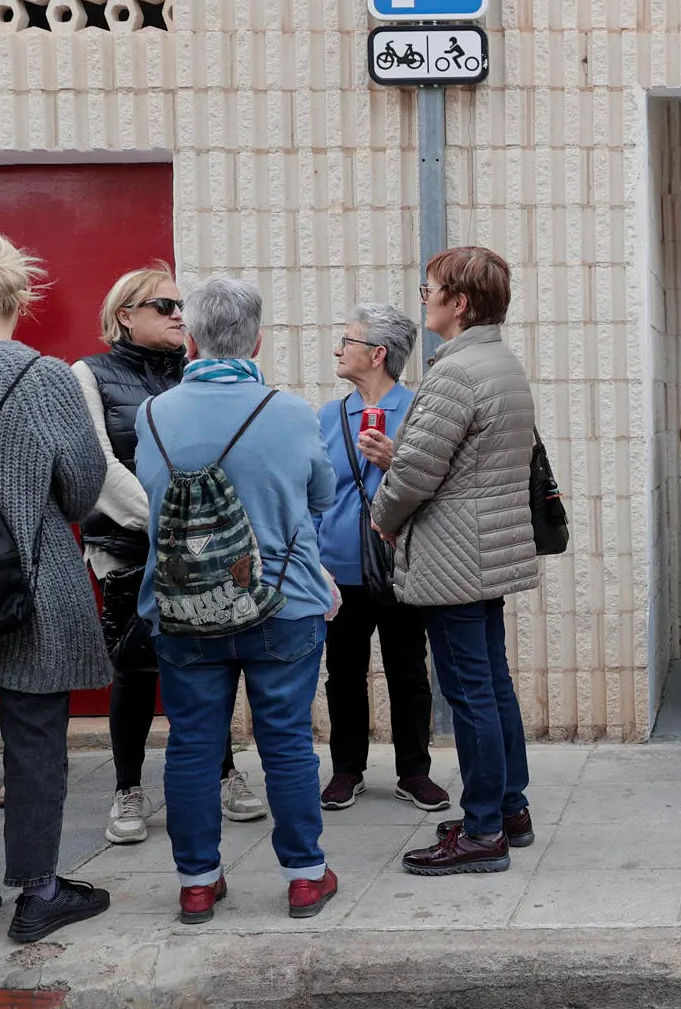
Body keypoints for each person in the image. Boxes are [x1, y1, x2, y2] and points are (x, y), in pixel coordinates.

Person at [134, 276, 339, 925]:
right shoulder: (293, 412)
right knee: (285, 741)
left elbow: (150, 499)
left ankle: (198, 882)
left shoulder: (153, 413)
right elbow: (320, 498)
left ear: (190, 339)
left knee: (193, 742)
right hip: (283, 602)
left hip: (182, 604)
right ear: (257, 339)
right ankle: (305, 877)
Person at [0, 231, 111, 944]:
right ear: (20, 299)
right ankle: (39, 893)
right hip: (35, 585)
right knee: (37, 737)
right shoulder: (43, 377)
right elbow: (82, 490)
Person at [73, 264, 268, 847]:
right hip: (129, 548)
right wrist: (168, 527)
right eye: (163, 306)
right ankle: (128, 787)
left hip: (206, 547)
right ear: (124, 315)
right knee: (134, 668)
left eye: (181, 305)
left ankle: (222, 770)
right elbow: (98, 463)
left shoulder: (197, 374)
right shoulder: (91, 374)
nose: (179, 315)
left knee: (210, 653)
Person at [373, 246, 539, 876]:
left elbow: (417, 472)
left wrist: (383, 516)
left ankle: (482, 830)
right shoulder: (500, 362)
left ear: (459, 303)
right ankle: (509, 808)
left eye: (430, 288)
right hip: (484, 546)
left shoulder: (455, 371)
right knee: (491, 684)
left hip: (454, 554)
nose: (424, 297)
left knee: (471, 693)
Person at [315, 303, 447, 813]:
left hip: (401, 566)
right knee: (343, 672)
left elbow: (440, 487)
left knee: (408, 671)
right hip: (338, 570)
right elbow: (313, 492)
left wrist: (397, 461)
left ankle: (414, 771)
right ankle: (347, 770)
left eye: (346, 341)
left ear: (377, 354)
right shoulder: (328, 416)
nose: (337, 350)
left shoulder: (420, 411)